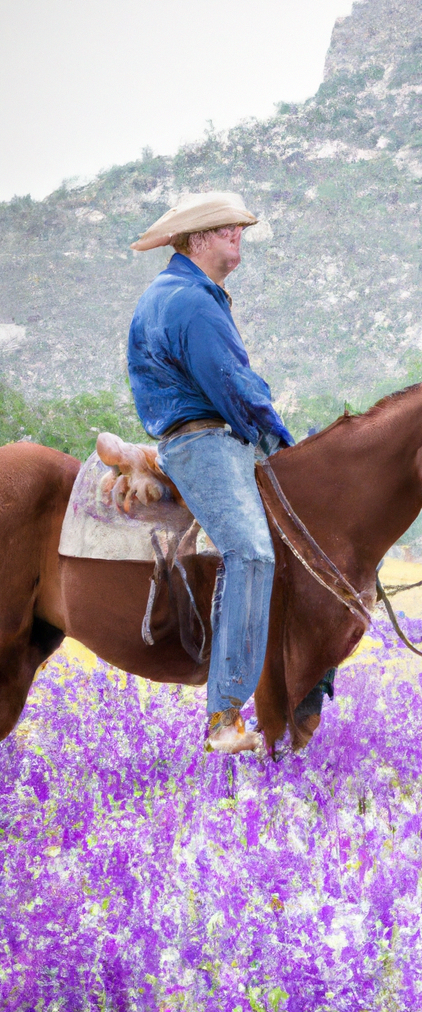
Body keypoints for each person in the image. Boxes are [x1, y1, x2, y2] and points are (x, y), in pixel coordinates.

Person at [127, 192, 295, 753]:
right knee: (251, 551)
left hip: (209, 437)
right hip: (205, 443)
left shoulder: (177, 294)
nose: (238, 235)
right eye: (226, 228)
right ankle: (224, 714)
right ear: (196, 239)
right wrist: (283, 442)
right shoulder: (191, 302)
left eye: (241, 227)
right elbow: (233, 387)